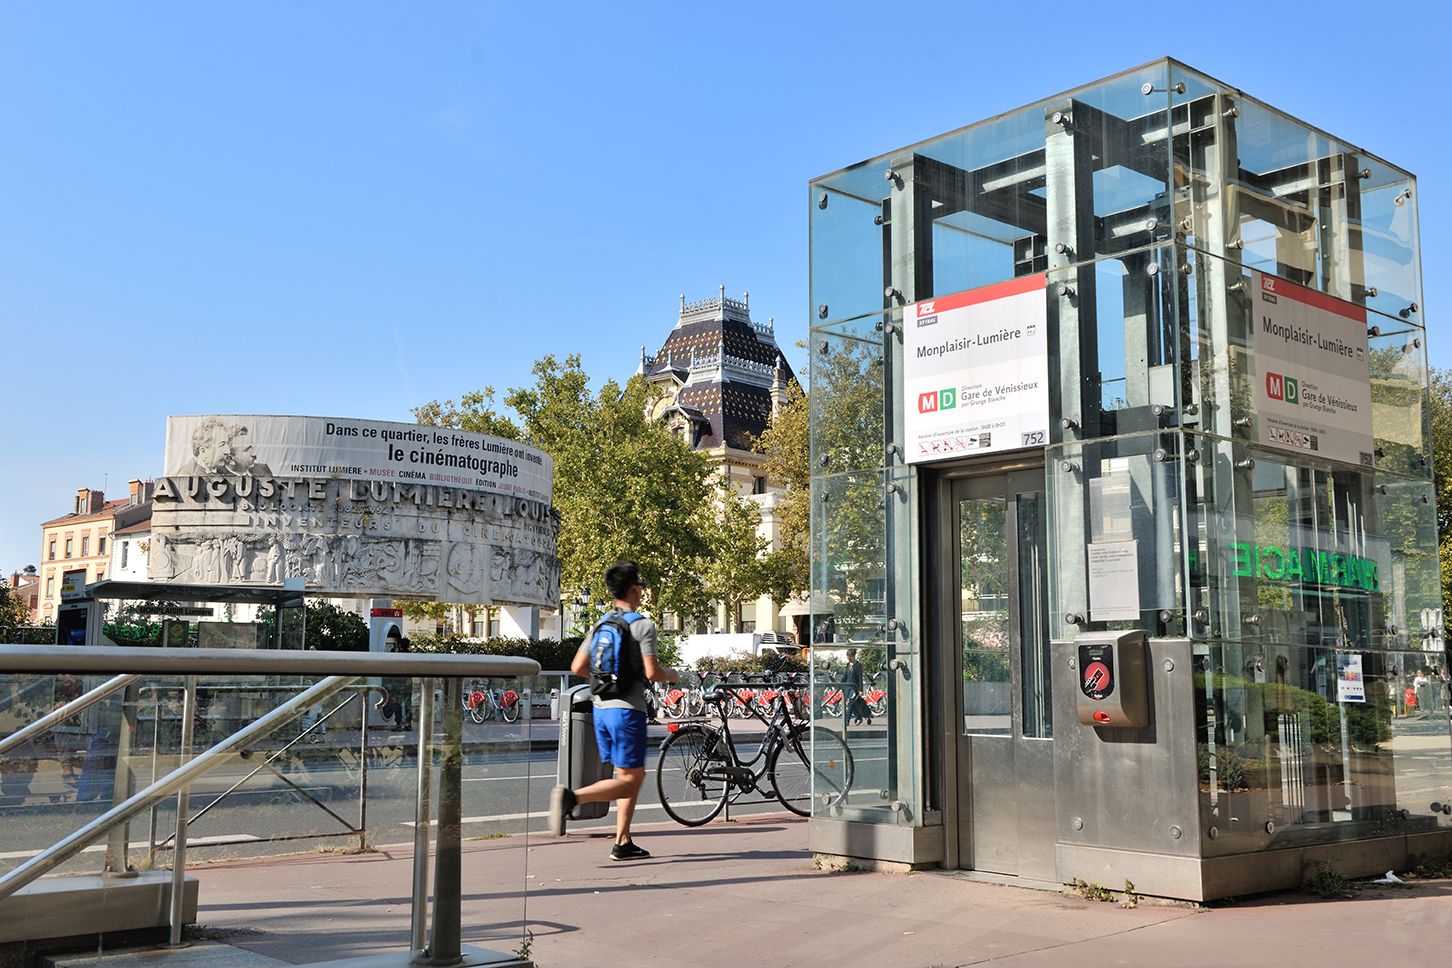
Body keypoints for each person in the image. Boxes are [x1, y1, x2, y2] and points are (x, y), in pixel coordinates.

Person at [549, 561, 678, 861]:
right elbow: (652, 671)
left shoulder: (601, 623)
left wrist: (605, 682)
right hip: (627, 712)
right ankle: (571, 798)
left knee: (624, 774)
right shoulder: (643, 625)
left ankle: (622, 841)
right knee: (632, 779)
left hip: (601, 708)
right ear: (634, 589)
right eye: (641, 587)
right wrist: (673, 675)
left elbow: (578, 667)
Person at [844, 648, 870, 726]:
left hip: (854, 688)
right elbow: (845, 676)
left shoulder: (858, 665)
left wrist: (860, 690)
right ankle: (860, 717)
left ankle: (846, 721)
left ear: (853, 656)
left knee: (850, 704)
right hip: (847, 688)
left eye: (849, 657)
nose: (848, 659)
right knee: (855, 705)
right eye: (847, 657)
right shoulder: (848, 665)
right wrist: (840, 684)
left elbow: (859, 678)